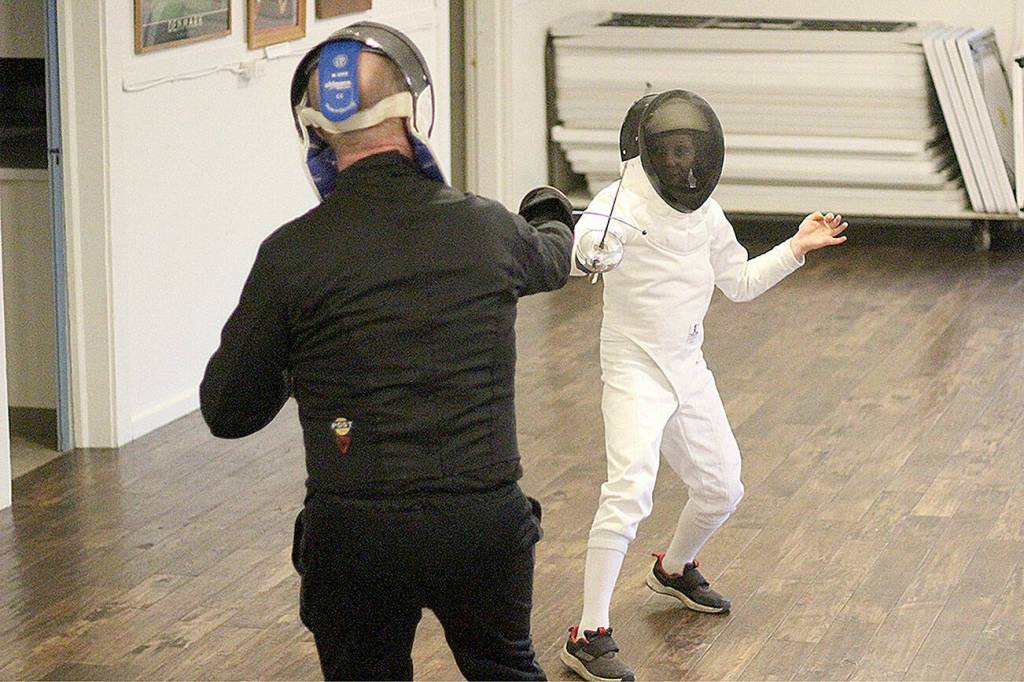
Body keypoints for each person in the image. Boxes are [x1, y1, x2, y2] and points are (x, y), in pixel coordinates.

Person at [200, 21, 574, 681]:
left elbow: (228, 411)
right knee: (506, 668)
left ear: (315, 134)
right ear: (414, 114)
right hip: (480, 521)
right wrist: (549, 210)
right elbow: (552, 258)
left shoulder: (291, 255)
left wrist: (297, 356)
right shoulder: (487, 228)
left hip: (355, 533)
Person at [561, 90, 848, 682]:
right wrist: (592, 251)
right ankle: (588, 634)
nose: (681, 161)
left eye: (688, 150)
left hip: (687, 365)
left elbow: (738, 283)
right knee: (629, 491)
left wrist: (796, 247)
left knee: (722, 488)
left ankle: (673, 568)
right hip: (634, 367)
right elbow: (580, 253)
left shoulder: (708, 214)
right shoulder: (617, 204)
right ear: (646, 152)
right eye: (670, 150)